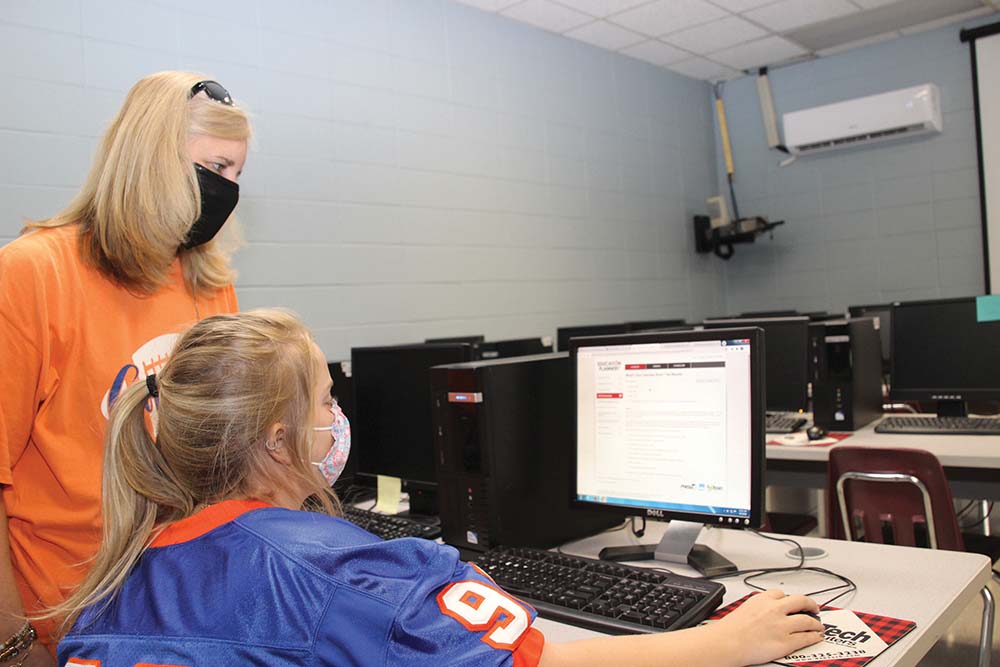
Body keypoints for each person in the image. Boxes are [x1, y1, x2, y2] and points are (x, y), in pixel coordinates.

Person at [53, 309, 824, 666]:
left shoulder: (111, 584)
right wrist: (726, 640)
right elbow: (535, 665)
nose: (339, 415)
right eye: (326, 398)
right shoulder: (345, 574)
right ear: (279, 440)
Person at [0, 71, 251, 663]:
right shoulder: (34, 275)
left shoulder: (210, 286)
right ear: (152, 159)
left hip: (180, 614)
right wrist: (14, 644)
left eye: (239, 174)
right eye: (216, 169)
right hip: (64, 620)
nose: (228, 189)